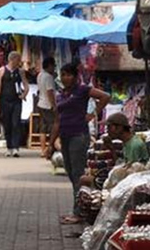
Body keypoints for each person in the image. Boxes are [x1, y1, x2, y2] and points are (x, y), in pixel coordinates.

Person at [46, 64, 110, 225]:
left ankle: (79, 213)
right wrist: (50, 143)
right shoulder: (60, 95)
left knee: (78, 175)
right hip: (65, 137)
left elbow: (105, 96)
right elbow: (57, 121)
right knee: (71, 173)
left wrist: (92, 114)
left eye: (69, 74)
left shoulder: (82, 90)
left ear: (75, 76)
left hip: (79, 136)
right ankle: (80, 207)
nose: (66, 77)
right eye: (63, 74)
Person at [0, 51, 29, 158]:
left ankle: (15, 147)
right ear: (12, 59)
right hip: (4, 100)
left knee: (16, 123)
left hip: (16, 100)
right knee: (7, 123)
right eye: (18, 59)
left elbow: (25, 84)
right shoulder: (2, 70)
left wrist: (24, 94)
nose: (19, 62)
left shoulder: (21, 71)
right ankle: (9, 146)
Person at [37, 57, 57, 154]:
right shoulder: (49, 77)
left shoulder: (40, 75)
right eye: (53, 66)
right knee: (53, 126)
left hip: (40, 103)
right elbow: (50, 92)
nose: (54, 68)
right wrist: (53, 105)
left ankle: (42, 149)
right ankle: (50, 148)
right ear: (49, 66)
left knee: (43, 127)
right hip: (47, 105)